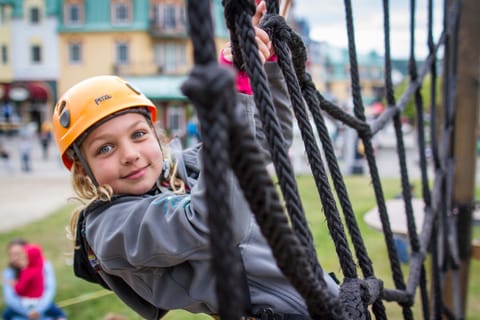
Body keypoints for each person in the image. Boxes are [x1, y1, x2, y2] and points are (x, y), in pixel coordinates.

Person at [51, 2, 339, 319]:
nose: (130, 154)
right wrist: (230, 100)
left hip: (321, 295)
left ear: (156, 135)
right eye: (105, 149)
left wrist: (262, 67)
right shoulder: (110, 230)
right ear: (82, 170)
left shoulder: (179, 170)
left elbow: (269, 141)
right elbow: (217, 225)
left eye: (138, 135)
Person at [2, 238, 67, 320]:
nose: (15, 258)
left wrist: (38, 310)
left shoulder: (41, 267)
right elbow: (10, 298)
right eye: (11, 255)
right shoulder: (9, 272)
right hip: (22, 307)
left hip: (40, 304)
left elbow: (49, 289)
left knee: (55, 311)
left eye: (18, 254)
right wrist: (27, 311)